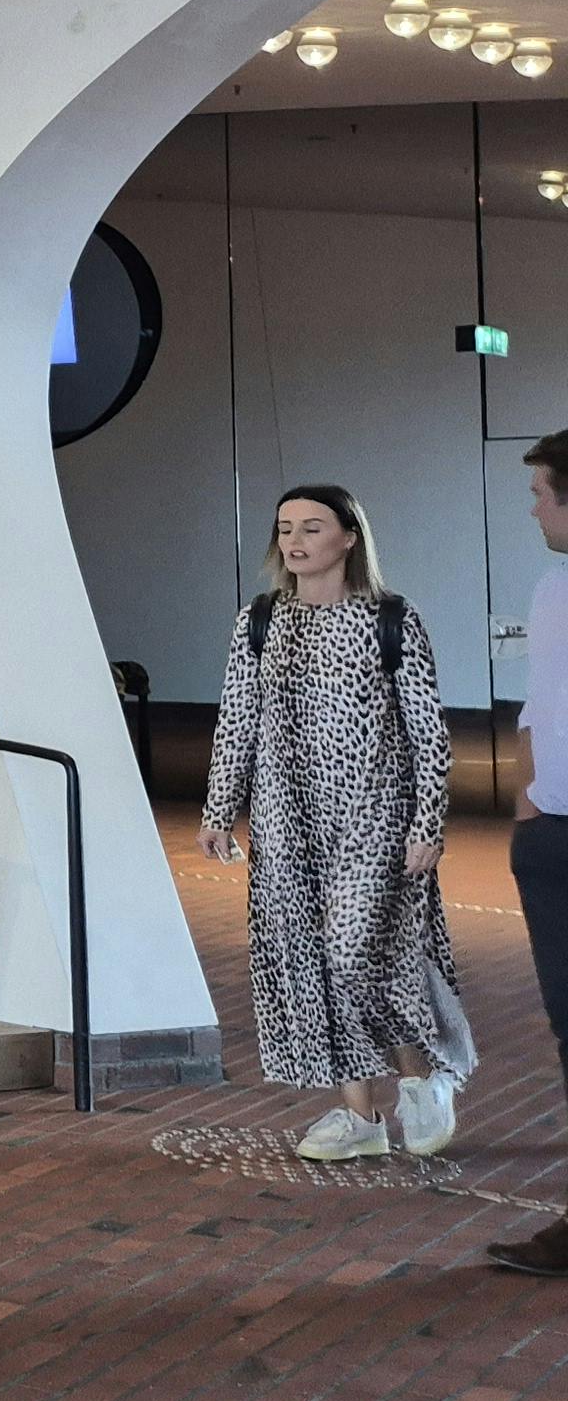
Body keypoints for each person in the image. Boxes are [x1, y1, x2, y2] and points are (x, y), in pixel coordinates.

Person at [199, 483, 471, 1161]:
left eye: (312, 527)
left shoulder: (390, 619)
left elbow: (428, 733)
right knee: (313, 961)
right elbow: (237, 718)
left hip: (374, 817)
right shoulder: (260, 620)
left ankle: (422, 1081)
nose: (294, 541)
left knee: (357, 955)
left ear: (349, 538)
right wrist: (219, 809)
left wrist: (427, 824)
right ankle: (360, 1117)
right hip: (286, 821)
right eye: (285, 527)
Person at [491, 434, 568, 1275]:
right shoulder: (553, 588)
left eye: (542, 491)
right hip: (553, 835)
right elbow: (539, 708)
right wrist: (530, 810)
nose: (533, 506)